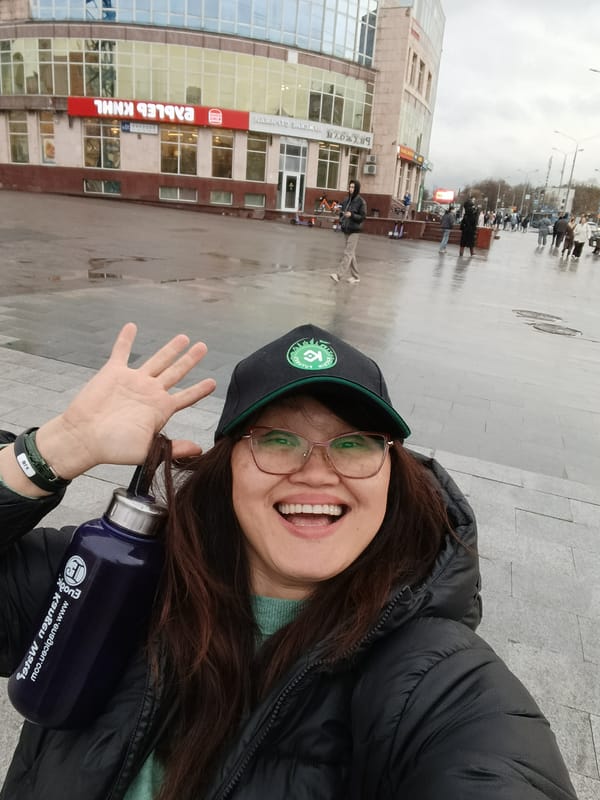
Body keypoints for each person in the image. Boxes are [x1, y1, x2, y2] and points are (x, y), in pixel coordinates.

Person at [0, 323, 577, 800]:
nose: (318, 471)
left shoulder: (442, 685)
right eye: (278, 439)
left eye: (354, 443)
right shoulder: (108, 576)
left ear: (391, 474)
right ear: (229, 467)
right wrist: (55, 449)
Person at [330, 180, 366, 284]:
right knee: (351, 253)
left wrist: (352, 215)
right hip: (346, 229)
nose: (351, 189)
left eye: (353, 187)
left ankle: (338, 275)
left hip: (355, 230)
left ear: (357, 189)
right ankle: (356, 276)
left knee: (348, 252)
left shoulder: (361, 202)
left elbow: (363, 217)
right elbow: (342, 211)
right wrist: (337, 210)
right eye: (350, 187)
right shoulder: (346, 200)